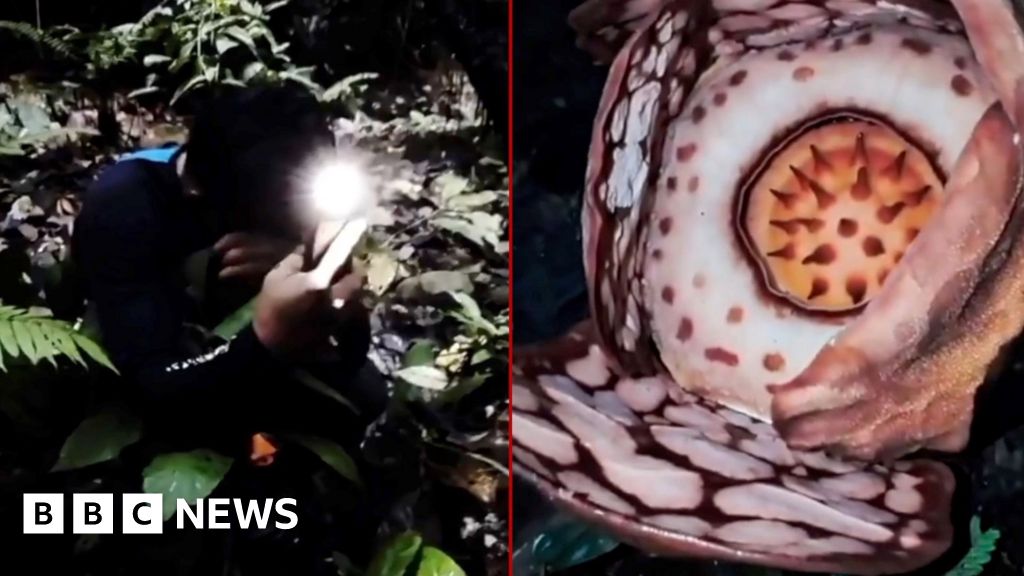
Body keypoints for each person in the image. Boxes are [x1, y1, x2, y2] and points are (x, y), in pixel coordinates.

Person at [71, 86, 386, 573]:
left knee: (368, 403)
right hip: (152, 368)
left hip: (248, 359)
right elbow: (154, 384)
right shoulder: (128, 206)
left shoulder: (305, 186)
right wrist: (265, 341)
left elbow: (345, 348)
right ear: (201, 193)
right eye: (276, 213)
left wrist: (341, 307)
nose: (297, 217)